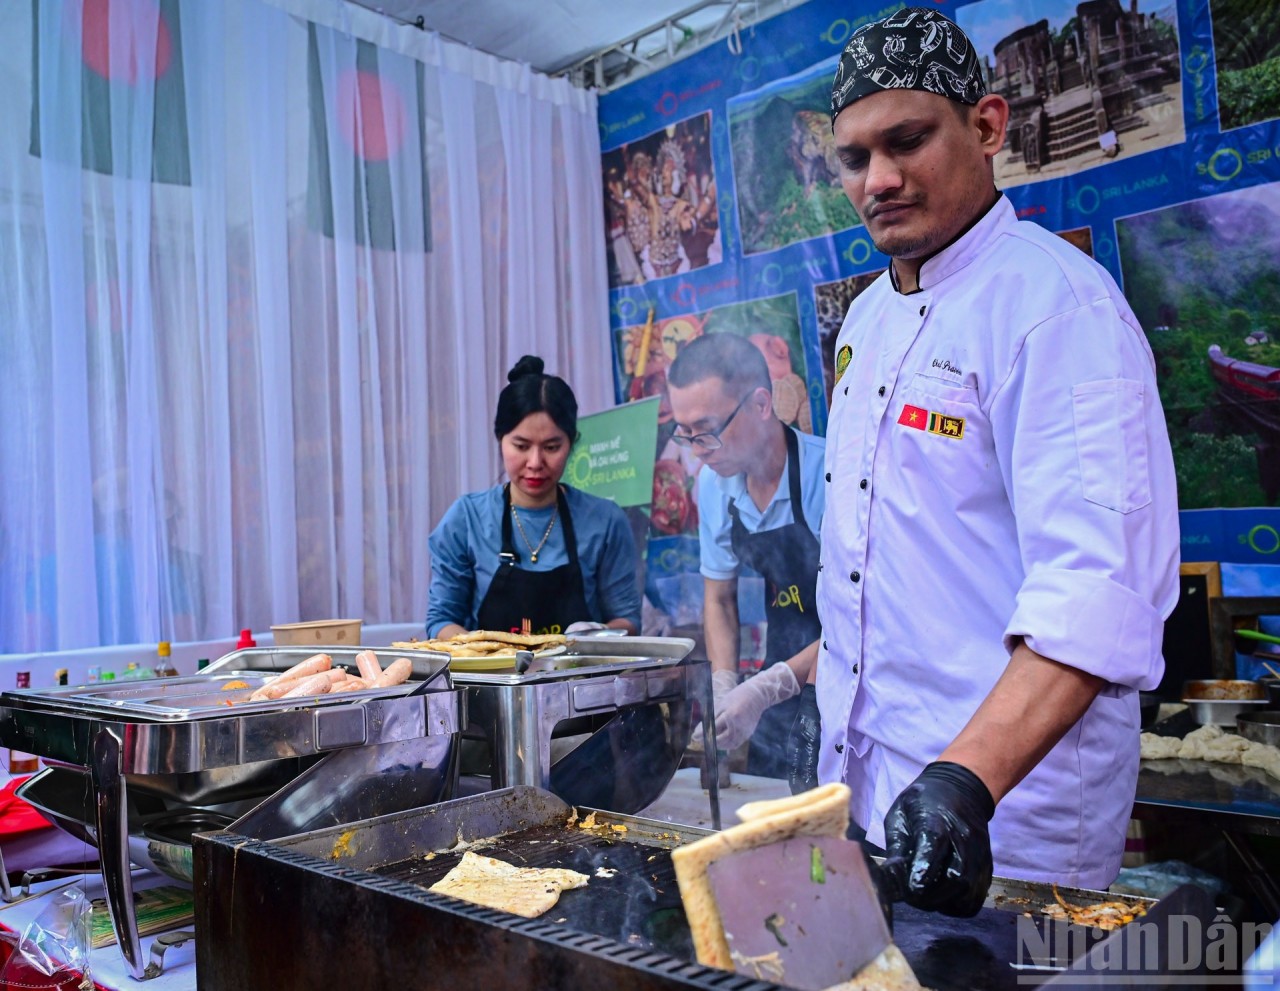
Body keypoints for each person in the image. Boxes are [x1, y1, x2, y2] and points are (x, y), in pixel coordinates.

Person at [820, 7, 1179, 915]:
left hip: (1006, 811)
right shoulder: (864, 319)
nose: (879, 179)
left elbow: (1095, 587)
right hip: (871, 788)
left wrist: (964, 781)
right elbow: (872, 567)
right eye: (855, 158)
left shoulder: (1057, 308)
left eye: (907, 141)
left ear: (986, 126)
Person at [666, 333, 825, 786]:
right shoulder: (715, 484)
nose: (698, 450)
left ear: (760, 404)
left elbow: (859, 621)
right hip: (780, 675)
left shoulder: (829, 475)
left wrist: (764, 689)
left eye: (707, 430)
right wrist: (725, 685)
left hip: (847, 679)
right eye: (685, 434)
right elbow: (719, 599)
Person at [427, 356, 641, 638]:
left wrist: (597, 634)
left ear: (571, 443)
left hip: (580, 667)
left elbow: (628, 621)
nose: (535, 462)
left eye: (551, 447)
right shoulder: (466, 520)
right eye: (521, 446)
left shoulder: (605, 521)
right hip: (491, 668)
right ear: (501, 440)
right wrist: (481, 650)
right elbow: (441, 620)